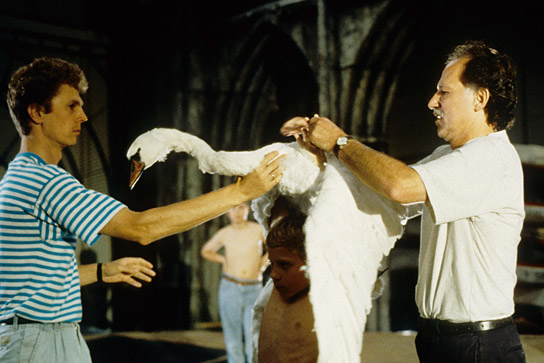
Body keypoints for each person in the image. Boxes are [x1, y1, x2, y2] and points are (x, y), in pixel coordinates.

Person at [0, 57, 284, 363]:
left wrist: (101, 271)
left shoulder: (17, 179)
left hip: (31, 338)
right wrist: (241, 191)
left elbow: (28, 282)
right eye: (71, 106)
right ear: (36, 112)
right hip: (43, 342)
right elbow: (141, 228)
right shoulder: (45, 181)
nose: (83, 116)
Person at [282, 40, 526, 362]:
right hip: (443, 342)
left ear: (480, 99)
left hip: (478, 347)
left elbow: (399, 186)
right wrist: (324, 155)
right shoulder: (449, 157)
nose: (432, 102)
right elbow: (382, 197)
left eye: (444, 92)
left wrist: (340, 142)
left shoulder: (489, 158)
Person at [200, 202, 267, 363]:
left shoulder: (257, 229)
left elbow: (273, 247)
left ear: (247, 209)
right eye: (232, 208)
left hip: (253, 288)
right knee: (232, 339)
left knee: (253, 338)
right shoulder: (225, 233)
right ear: (227, 212)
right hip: (230, 287)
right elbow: (206, 250)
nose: (236, 212)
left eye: (240, 208)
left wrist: (263, 264)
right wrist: (223, 259)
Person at [251, 213, 318, 363]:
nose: (273, 275)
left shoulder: (328, 302)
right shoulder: (275, 293)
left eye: (284, 265)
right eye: (271, 264)